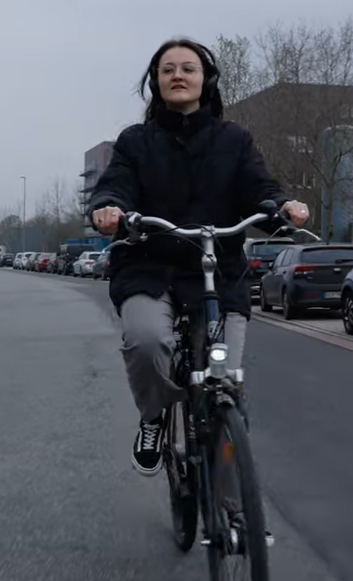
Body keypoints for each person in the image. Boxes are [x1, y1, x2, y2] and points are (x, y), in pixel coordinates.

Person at [87, 37, 309, 476]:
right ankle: (154, 416)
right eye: (168, 69)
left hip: (217, 273)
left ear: (205, 79)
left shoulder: (234, 140)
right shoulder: (135, 142)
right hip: (149, 267)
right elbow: (115, 185)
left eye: (188, 68)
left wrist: (282, 207)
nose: (178, 76)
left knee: (223, 380)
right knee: (148, 341)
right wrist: (108, 208)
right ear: (156, 82)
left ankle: (232, 509)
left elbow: (259, 188)